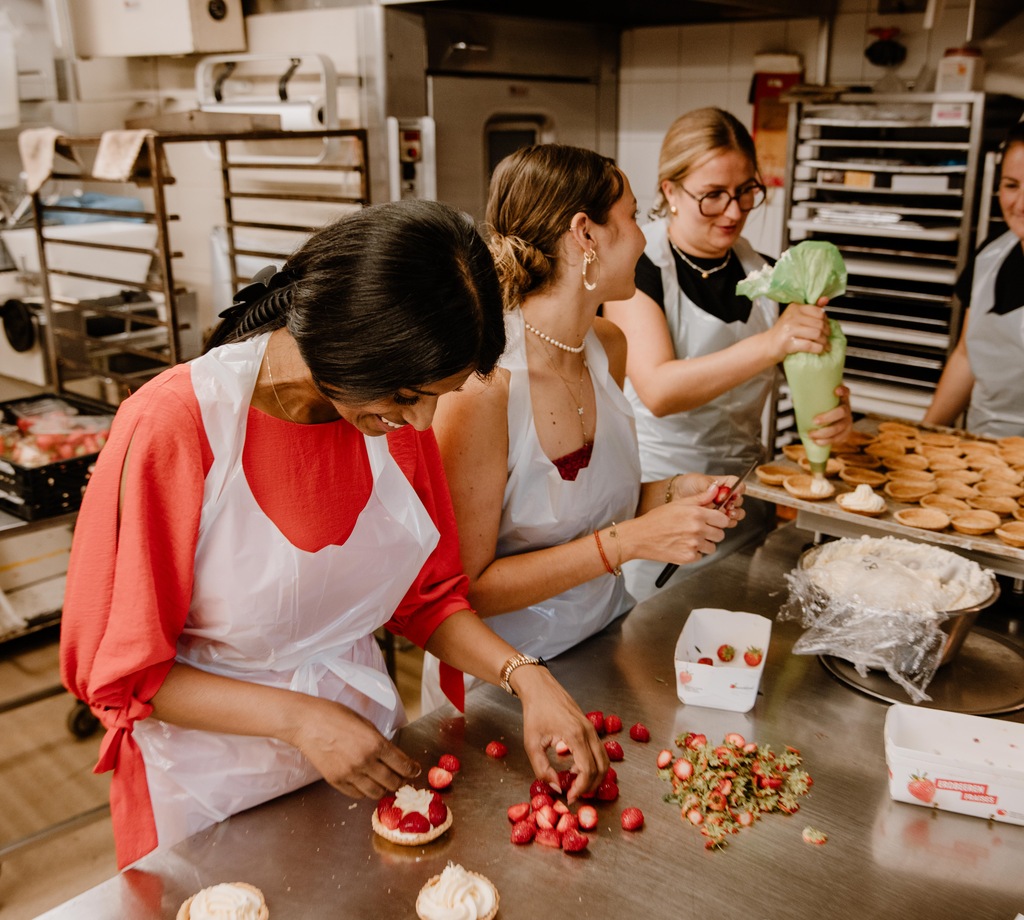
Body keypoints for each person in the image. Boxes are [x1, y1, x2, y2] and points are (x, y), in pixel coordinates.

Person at [59, 199, 608, 869]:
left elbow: (428, 601)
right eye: (409, 396)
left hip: (362, 763)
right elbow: (123, 674)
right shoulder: (175, 426)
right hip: (208, 788)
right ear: (346, 344)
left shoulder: (390, 419)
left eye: (439, 396)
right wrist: (301, 719)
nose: (424, 422)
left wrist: (526, 678)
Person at [420, 145, 743, 712]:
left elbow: (588, 505)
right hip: (504, 683)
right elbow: (466, 590)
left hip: (602, 646)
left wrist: (674, 493)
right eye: (634, 216)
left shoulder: (607, 346)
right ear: (585, 234)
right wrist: (632, 542)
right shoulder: (484, 387)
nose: (645, 238)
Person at [602, 107, 852, 601]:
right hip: (660, 500)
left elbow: (809, 381)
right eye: (713, 194)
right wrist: (772, 342)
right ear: (671, 191)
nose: (734, 211)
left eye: (746, 191)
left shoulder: (769, 276)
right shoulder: (639, 268)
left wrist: (832, 413)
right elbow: (658, 390)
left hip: (744, 498)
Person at [923, 120, 1024, 437]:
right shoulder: (991, 256)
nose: (1020, 204)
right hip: (980, 446)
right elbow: (966, 357)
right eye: (1011, 185)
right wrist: (925, 434)